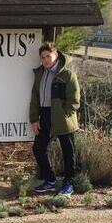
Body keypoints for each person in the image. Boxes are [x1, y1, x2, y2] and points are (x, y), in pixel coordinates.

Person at [29, 42, 80, 196]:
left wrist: (63, 113)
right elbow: (35, 98)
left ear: (56, 54)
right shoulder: (40, 74)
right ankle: (50, 180)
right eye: (43, 57)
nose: (45, 60)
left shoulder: (67, 75)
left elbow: (74, 100)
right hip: (44, 115)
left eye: (48, 56)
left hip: (63, 118)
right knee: (38, 148)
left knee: (68, 152)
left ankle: (68, 183)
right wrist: (34, 119)